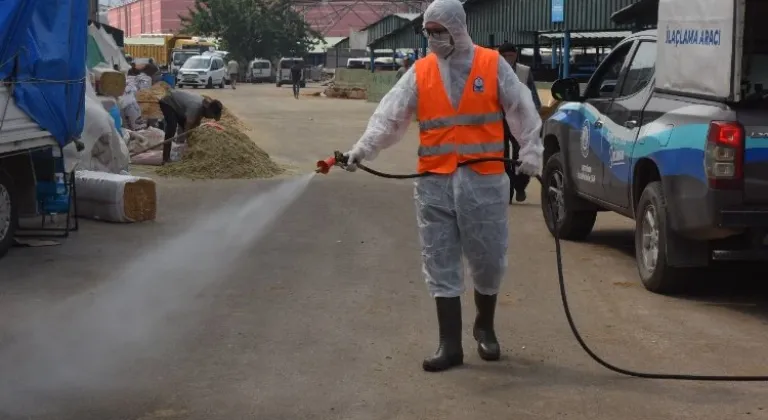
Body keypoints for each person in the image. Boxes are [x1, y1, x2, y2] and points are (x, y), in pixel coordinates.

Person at [341, 0, 542, 372]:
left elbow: (521, 108)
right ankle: (449, 344)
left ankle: (485, 327)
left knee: (487, 259)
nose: (433, 39)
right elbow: (390, 115)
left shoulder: (490, 64)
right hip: (434, 181)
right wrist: (362, 149)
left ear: (457, 28)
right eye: (428, 33)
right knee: (439, 258)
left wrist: (531, 149)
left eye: (439, 32)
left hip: (482, 181)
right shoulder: (421, 72)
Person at [498, 43, 541, 203]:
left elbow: (533, 95)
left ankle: (520, 185)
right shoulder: (492, 71)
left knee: (520, 155)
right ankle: (507, 192)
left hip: (518, 121)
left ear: (516, 55)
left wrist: (535, 114)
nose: (508, 59)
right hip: (499, 121)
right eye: (504, 56)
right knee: (502, 158)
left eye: (511, 55)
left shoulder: (524, 71)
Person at [158, 90, 223, 164]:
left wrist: (194, 136)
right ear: (209, 111)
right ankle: (165, 159)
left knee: (188, 130)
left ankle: (182, 150)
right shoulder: (195, 107)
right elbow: (188, 126)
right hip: (169, 102)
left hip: (180, 107)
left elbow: (196, 123)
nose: (211, 118)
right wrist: (188, 139)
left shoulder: (203, 109)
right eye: (212, 116)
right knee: (172, 127)